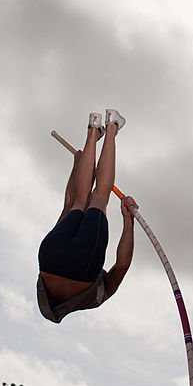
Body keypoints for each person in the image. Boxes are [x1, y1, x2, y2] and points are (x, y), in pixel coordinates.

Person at [37, 109, 137, 323]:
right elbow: (68, 205)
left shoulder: (95, 298)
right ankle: (93, 130)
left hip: (81, 266)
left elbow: (121, 265)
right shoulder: (46, 288)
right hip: (48, 258)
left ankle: (111, 127)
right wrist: (77, 167)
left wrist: (128, 221)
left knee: (99, 197)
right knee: (80, 201)